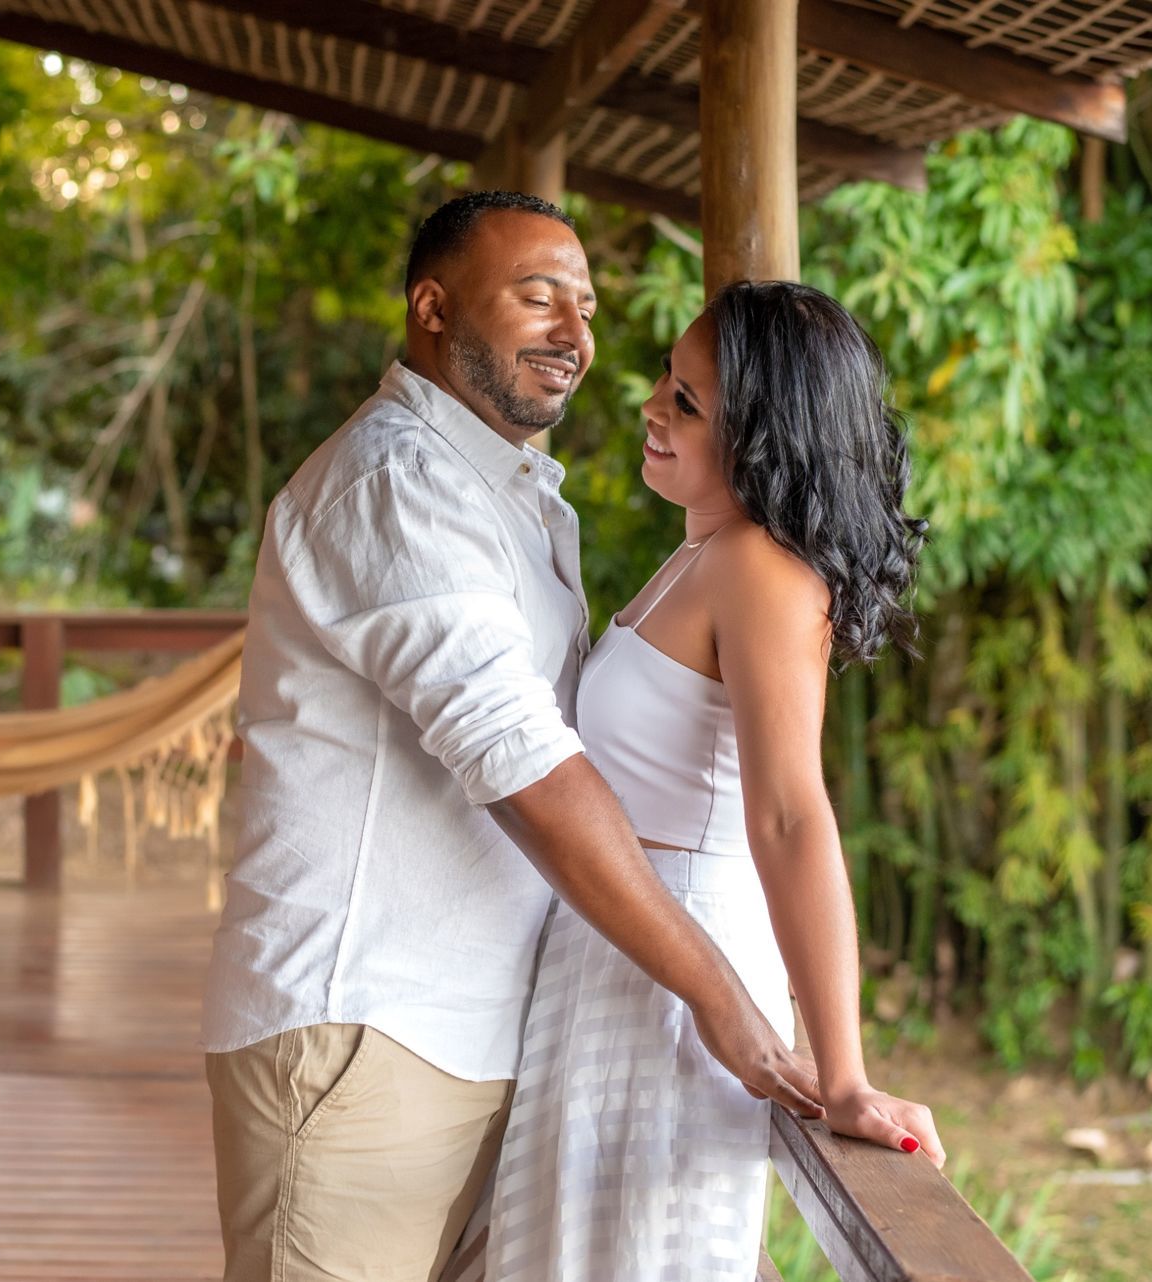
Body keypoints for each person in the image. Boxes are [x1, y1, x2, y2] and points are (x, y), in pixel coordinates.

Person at [201, 193, 828, 1282]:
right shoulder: (398, 483)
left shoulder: (520, 498)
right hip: (364, 1034)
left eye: (584, 308)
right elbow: (527, 767)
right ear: (433, 308)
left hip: (495, 1033)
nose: (574, 336)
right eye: (537, 296)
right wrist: (725, 1000)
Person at [471, 280, 943, 1282]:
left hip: (682, 970)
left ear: (765, 438)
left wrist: (844, 1071)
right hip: (619, 951)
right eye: (666, 382)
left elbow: (788, 815)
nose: (650, 405)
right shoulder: (701, 554)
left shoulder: (764, 571)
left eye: (687, 402)